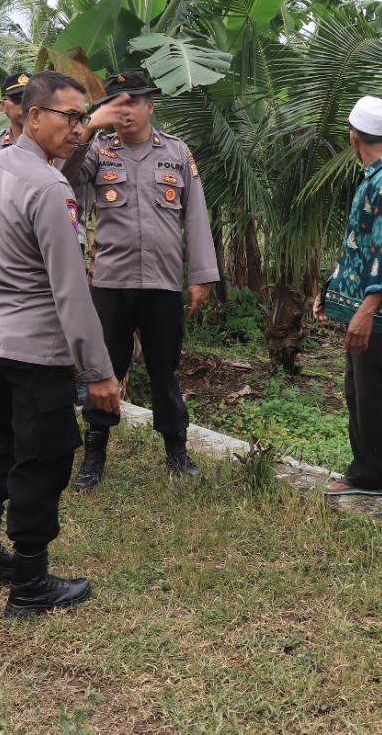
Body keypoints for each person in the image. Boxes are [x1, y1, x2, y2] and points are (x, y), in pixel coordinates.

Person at [0, 70, 123, 617]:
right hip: (36, 346)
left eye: (84, 118)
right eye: (70, 117)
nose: (80, 129)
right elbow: (71, 291)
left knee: (8, 442)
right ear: (34, 114)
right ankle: (29, 582)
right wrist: (98, 370)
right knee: (42, 459)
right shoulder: (50, 189)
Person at [61, 70, 219, 491]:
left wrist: (200, 275)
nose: (125, 110)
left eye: (133, 101)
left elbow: (196, 215)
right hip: (111, 283)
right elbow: (65, 176)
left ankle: (176, 448)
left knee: (164, 369)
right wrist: (91, 124)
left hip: (163, 284)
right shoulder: (97, 150)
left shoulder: (177, 153)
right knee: (103, 368)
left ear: (150, 105)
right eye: (117, 103)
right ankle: (94, 452)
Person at [313, 95, 382, 517]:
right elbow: (360, 246)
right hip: (365, 307)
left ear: (353, 137)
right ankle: (367, 471)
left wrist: (365, 311)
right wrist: (333, 291)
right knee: (357, 390)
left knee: (373, 393)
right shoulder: (378, 176)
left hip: (379, 311)